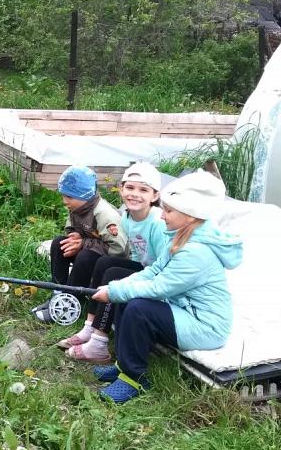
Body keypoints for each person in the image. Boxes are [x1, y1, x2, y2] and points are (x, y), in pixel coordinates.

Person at [90, 170, 242, 403]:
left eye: (169, 211)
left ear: (190, 216)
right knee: (127, 300)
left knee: (139, 308)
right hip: (187, 312)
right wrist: (117, 287)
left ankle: (134, 379)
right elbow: (152, 271)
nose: (162, 216)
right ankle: (123, 365)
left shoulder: (196, 252)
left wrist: (114, 292)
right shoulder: (181, 237)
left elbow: (158, 288)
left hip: (206, 326)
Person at [61, 162, 167, 362]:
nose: (135, 194)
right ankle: (89, 327)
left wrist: (133, 278)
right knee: (105, 264)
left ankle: (99, 343)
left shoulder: (157, 223)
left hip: (158, 276)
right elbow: (135, 254)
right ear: (121, 189)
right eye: (130, 187)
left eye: (143, 190)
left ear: (154, 196)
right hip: (145, 268)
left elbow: (165, 264)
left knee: (113, 275)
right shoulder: (127, 218)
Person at [32, 165, 128, 322]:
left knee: (85, 256)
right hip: (92, 249)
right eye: (63, 195)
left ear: (84, 195)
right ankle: (59, 292)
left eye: (69, 197)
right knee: (58, 243)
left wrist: (83, 243)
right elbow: (71, 227)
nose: (64, 201)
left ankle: (69, 301)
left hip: (109, 262)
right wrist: (73, 236)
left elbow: (118, 249)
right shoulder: (79, 207)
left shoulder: (105, 215)